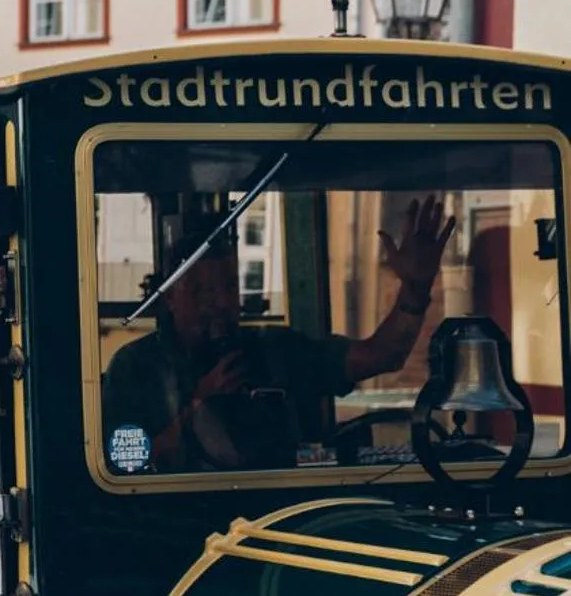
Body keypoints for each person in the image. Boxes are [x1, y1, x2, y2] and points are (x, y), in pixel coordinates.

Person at [102, 198, 454, 472]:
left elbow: (383, 355)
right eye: (200, 290)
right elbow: (126, 463)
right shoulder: (136, 367)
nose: (219, 303)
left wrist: (415, 288)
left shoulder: (276, 349)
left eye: (229, 286)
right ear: (169, 298)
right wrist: (197, 403)